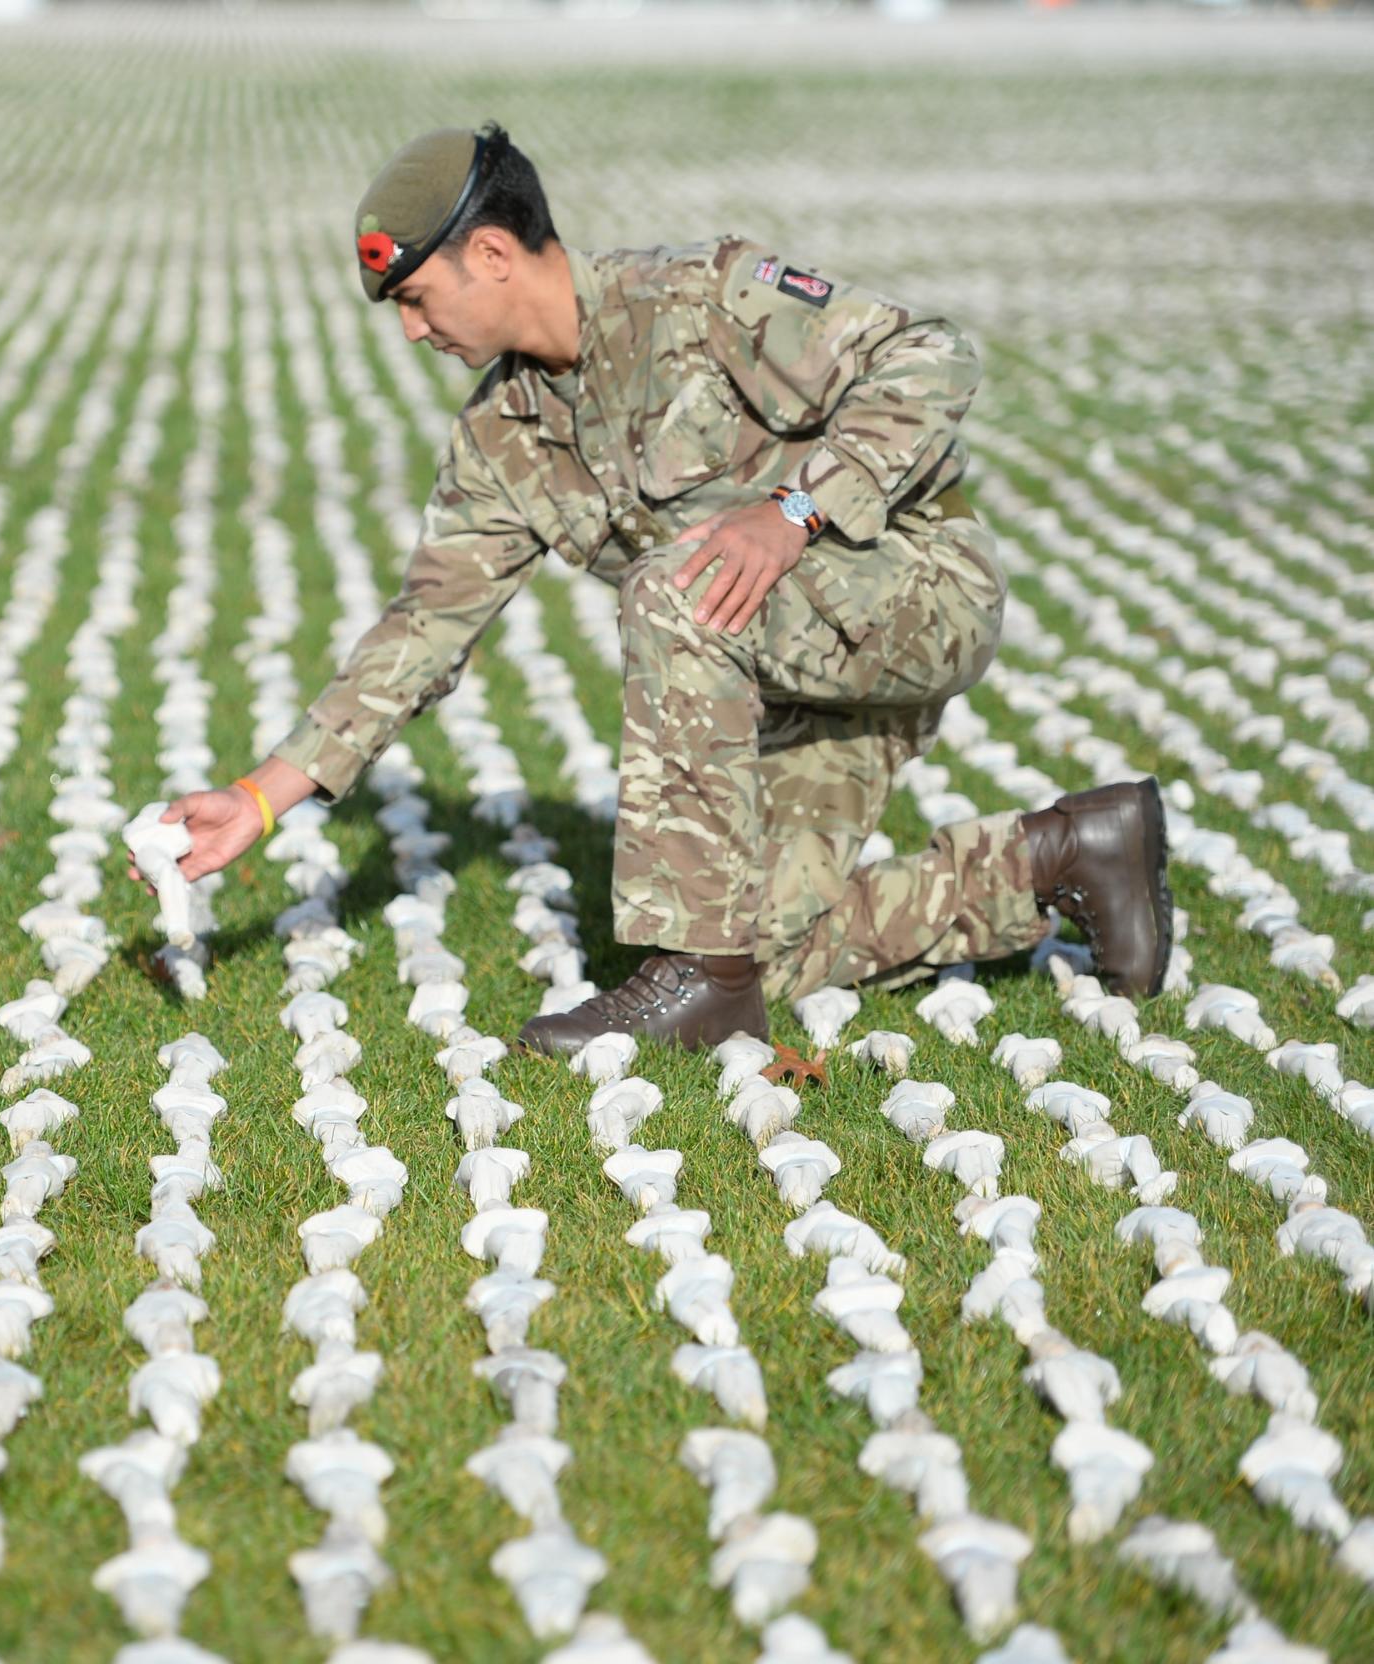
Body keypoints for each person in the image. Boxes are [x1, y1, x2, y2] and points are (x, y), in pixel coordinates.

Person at [138, 121, 1172, 1054]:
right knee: (773, 953)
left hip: (914, 593)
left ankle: (691, 973)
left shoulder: (700, 299)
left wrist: (794, 511)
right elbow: (425, 628)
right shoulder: (501, 438)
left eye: (415, 297)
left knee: (675, 583)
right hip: (783, 672)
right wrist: (258, 799)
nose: (412, 331)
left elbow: (927, 356)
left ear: (491, 254)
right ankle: (1069, 854)